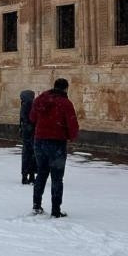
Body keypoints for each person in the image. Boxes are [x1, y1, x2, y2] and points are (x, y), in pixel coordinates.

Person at [29, 78, 79, 218]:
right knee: (57, 178)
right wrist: (71, 136)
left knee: (41, 173)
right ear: (66, 89)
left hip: (39, 141)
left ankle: (36, 205)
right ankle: (55, 210)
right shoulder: (65, 103)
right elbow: (72, 123)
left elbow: (32, 118)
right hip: (56, 143)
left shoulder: (40, 100)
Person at [19, 90, 37, 185]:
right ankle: (31, 176)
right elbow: (33, 119)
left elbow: (22, 120)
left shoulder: (23, 105)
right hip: (32, 133)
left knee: (26, 155)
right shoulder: (31, 105)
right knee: (33, 155)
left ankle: (25, 176)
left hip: (26, 133)